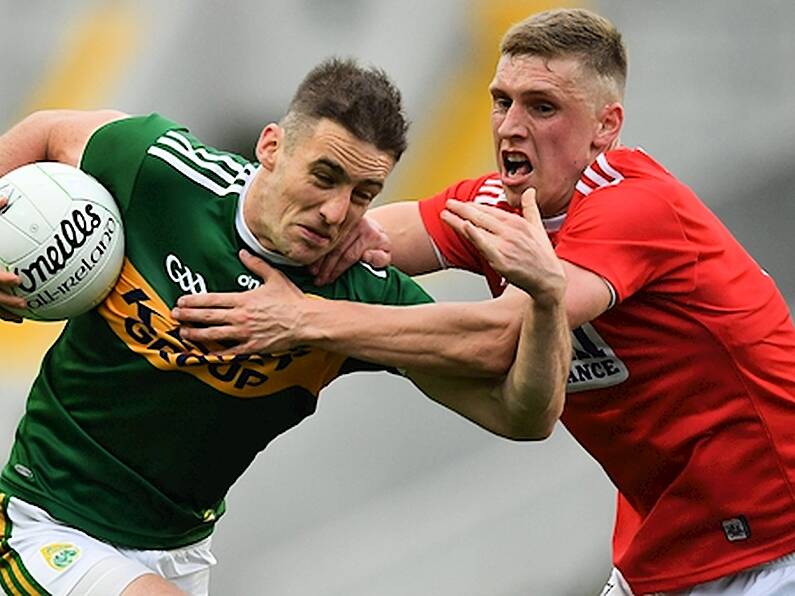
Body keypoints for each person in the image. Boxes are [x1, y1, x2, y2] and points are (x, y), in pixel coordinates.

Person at [173, 9, 795, 596]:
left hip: (778, 526)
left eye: (543, 107)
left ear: (606, 126)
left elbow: (508, 334)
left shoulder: (634, 206)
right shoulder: (493, 204)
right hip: (678, 539)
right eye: (502, 101)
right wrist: (318, 225)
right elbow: (354, 237)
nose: (511, 126)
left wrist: (307, 318)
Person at [0, 57, 570, 595]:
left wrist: (546, 298)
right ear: (271, 147)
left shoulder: (360, 298)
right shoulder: (161, 171)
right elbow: (50, 132)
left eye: (362, 194)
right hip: (45, 515)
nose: (335, 211)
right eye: (324, 176)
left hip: (178, 550)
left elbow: (521, 414)